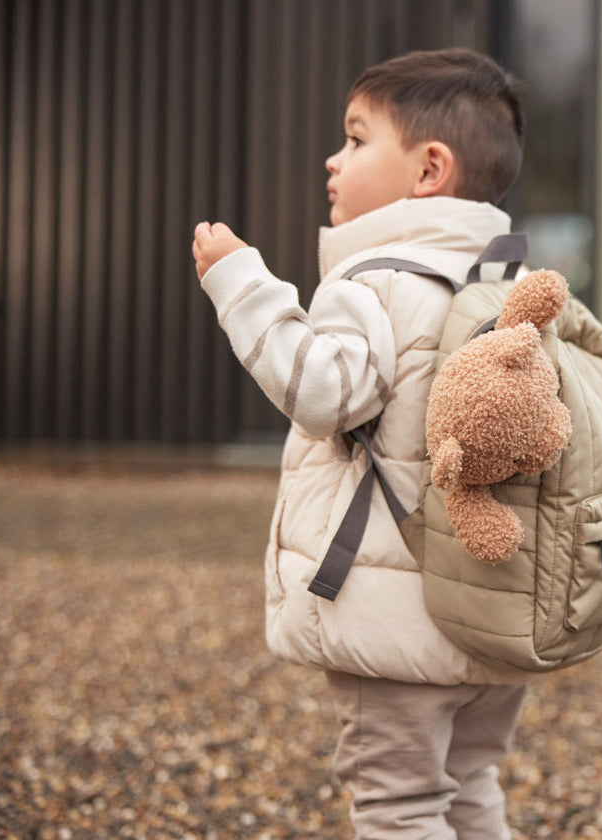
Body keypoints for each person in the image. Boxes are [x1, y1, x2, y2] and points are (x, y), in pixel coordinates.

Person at [191, 48, 530, 840]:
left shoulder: (376, 279)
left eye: (355, 137)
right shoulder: (504, 282)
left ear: (427, 171)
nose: (332, 159)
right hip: (491, 609)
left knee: (399, 808)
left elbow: (322, 393)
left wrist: (242, 283)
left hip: (396, 625)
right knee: (469, 783)